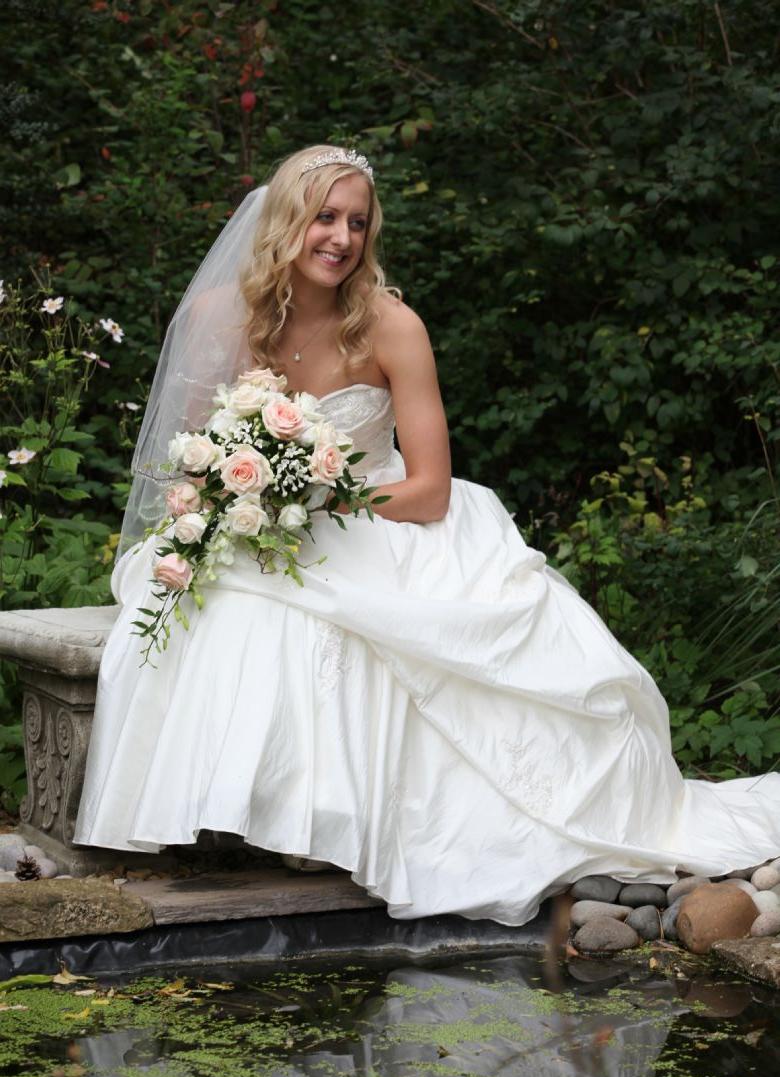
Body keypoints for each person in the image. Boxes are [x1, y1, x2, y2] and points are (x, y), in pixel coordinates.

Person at [74, 145, 780, 925]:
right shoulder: (221, 316)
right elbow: (190, 462)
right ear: (284, 222)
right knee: (216, 603)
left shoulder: (390, 325)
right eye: (324, 217)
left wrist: (314, 499)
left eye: (357, 223)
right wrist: (240, 491)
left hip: (382, 515)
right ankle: (244, 814)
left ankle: (335, 825)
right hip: (260, 524)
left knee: (340, 621)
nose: (340, 237)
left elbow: (428, 489)